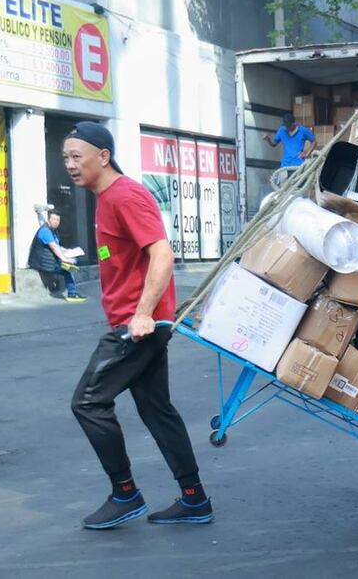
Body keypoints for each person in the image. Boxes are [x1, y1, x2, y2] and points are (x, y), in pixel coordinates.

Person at [64, 121, 213, 530]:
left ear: (103, 156)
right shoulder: (107, 198)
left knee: (88, 403)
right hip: (142, 321)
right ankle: (194, 498)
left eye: (77, 156)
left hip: (139, 325)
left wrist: (143, 313)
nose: (70, 165)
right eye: (66, 158)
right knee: (156, 409)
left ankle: (125, 493)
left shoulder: (124, 195)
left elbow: (162, 254)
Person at [27, 211, 85, 302]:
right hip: (43, 263)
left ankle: (72, 292)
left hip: (50, 261)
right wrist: (65, 259)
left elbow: (57, 246)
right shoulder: (45, 231)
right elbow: (53, 247)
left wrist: (66, 250)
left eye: (58, 220)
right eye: (54, 219)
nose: (56, 221)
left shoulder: (52, 231)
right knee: (68, 268)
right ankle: (72, 294)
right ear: (48, 220)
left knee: (72, 263)